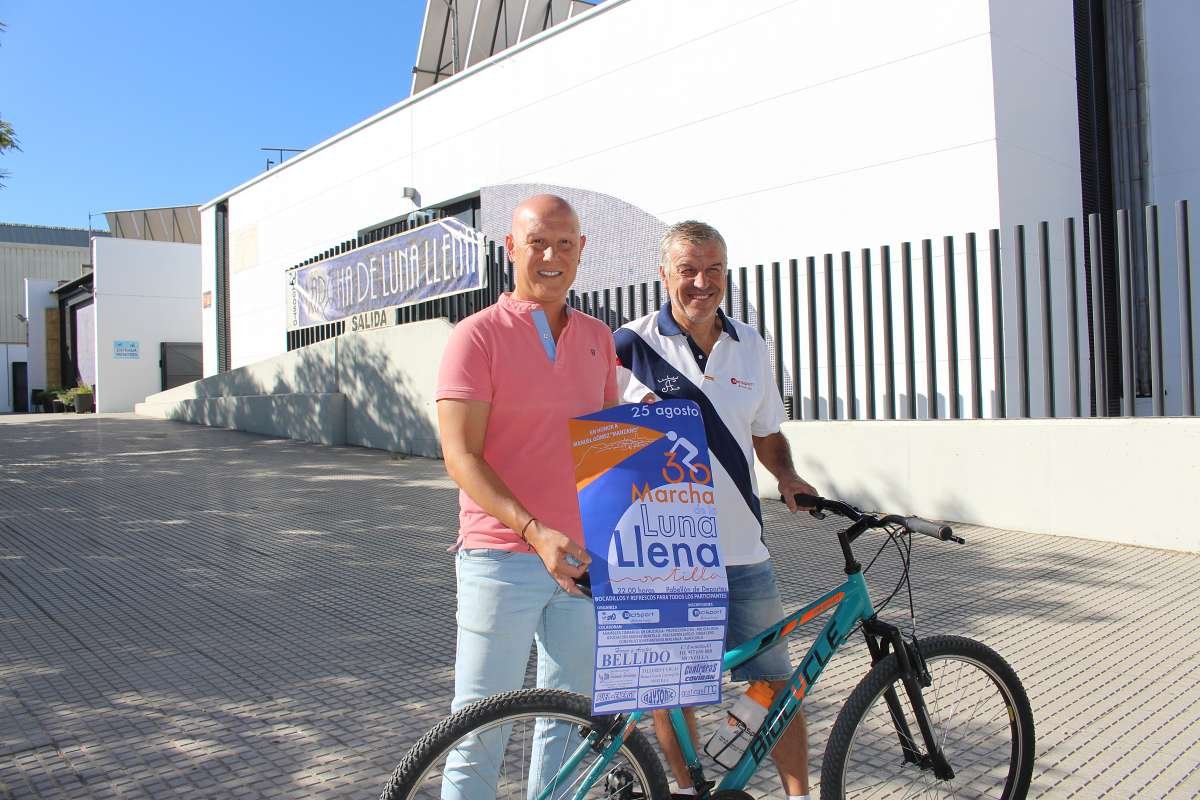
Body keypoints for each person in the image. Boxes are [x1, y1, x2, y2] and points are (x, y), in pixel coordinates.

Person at [614, 221, 817, 800]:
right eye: (688, 270)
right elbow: (600, 444)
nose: (701, 282)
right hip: (667, 554)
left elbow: (767, 432)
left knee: (774, 683)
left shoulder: (749, 343)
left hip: (744, 550)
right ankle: (686, 791)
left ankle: (799, 794)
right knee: (673, 695)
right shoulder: (628, 344)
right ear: (664, 274)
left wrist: (786, 473)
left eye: (714, 270)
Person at [436, 194, 618, 798]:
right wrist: (534, 530)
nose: (551, 255)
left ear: (582, 251)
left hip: (582, 564)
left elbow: (606, 443)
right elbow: (461, 455)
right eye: (537, 242)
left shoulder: (598, 338)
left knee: (569, 727)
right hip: (501, 559)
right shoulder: (475, 338)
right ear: (510, 248)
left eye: (565, 243)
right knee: (478, 730)